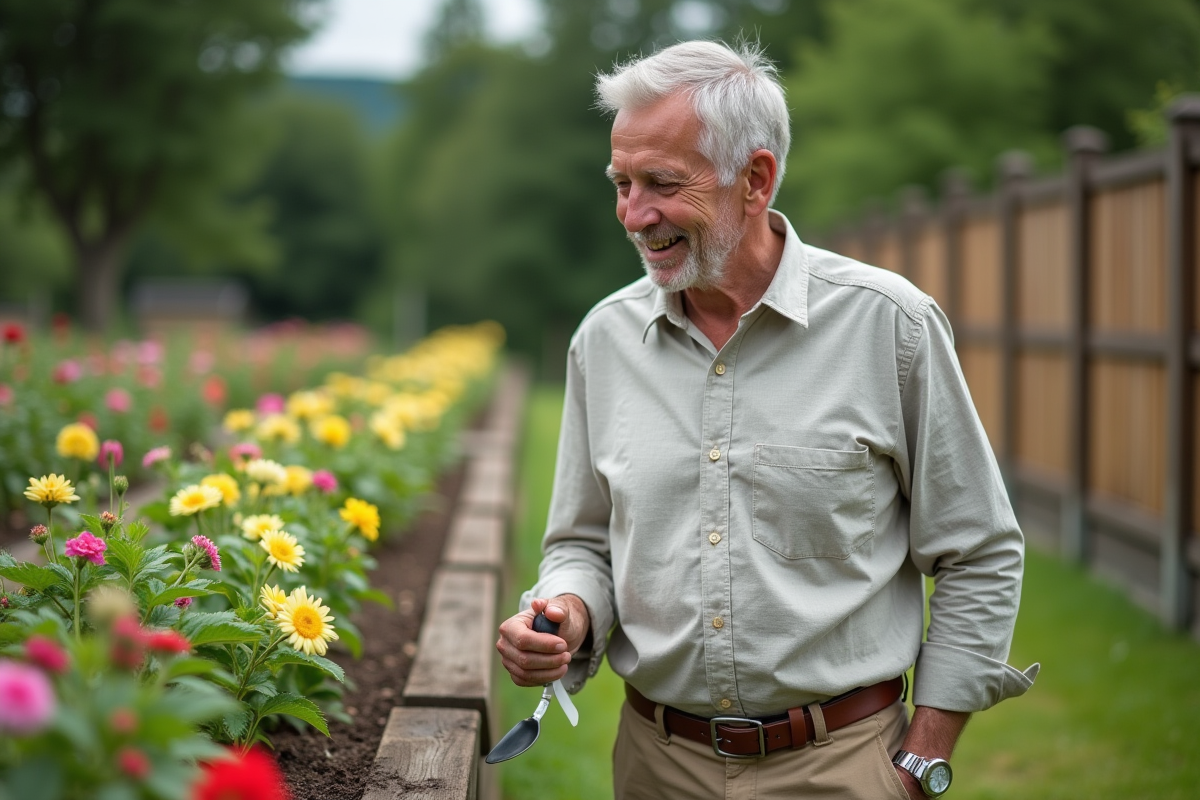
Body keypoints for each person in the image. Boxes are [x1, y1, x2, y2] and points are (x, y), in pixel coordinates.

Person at [496, 39, 1038, 800]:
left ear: (755, 180)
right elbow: (584, 541)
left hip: (842, 767)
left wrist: (920, 762)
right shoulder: (604, 341)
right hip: (656, 766)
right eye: (620, 183)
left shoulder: (891, 327)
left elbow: (979, 550)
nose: (633, 214)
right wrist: (568, 611)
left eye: (661, 183)